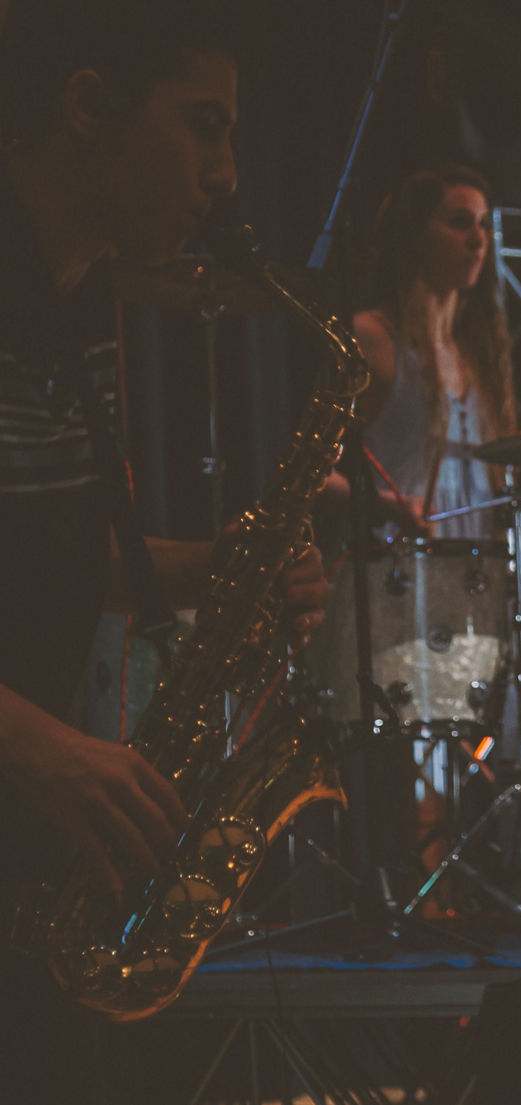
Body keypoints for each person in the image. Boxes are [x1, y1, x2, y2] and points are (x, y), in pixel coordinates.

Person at [0, 0, 328, 1096]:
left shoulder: (78, 294)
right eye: (202, 127)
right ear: (89, 106)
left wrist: (222, 566)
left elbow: (48, 543)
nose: (225, 176)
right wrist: (34, 747)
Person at [324, 162, 521, 542]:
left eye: (484, 224)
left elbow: (473, 491)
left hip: (477, 568)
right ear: (416, 234)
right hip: (400, 562)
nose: (479, 239)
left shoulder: (476, 353)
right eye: (459, 222)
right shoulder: (373, 337)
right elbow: (309, 472)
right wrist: (385, 504)